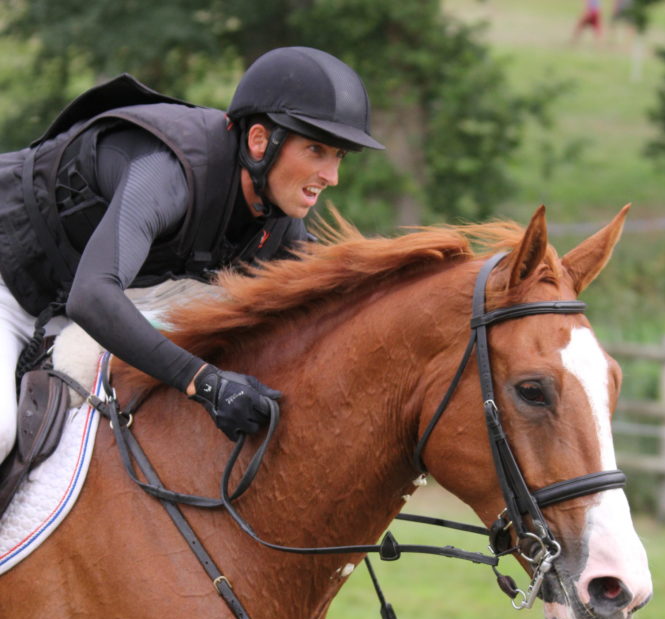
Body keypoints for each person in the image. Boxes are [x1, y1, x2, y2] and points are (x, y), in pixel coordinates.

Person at [0, 47, 384, 464]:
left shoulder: (276, 222)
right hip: (12, 280)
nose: (332, 177)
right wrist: (204, 383)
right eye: (316, 150)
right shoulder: (169, 176)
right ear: (260, 141)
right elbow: (92, 296)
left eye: (339, 156)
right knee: (2, 432)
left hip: (56, 309)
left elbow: (337, 305)